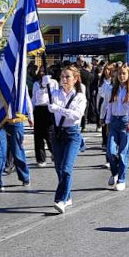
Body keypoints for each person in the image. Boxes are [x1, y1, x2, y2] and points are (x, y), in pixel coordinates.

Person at [48, 64, 87, 213]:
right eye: (62, 76)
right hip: (57, 133)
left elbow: (76, 115)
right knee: (58, 168)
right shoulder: (56, 93)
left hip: (72, 134)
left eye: (67, 76)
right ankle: (68, 196)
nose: (64, 79)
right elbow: (42, 100)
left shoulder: (79, 96)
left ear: (75, 79)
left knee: (66, 168)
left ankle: (61, 199)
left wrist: (58, 109)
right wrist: (43, 85)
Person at [105, 64, 129, 190]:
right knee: (110, 151)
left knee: (123, 153)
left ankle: (121, 179)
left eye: (124, 73)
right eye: (119, 73)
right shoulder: (113, 89)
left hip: (125, 122)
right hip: (114, 121)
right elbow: (109, 106)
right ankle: (115, 172)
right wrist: (107, 121)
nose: (121, 76)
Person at [31, 65, 54, 166]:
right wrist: (31, 111)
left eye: (44, 71)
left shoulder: (54, 83)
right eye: (40, 72)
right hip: (39, 108)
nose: (42, 74)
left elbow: (54, 95)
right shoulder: (36, 83)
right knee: (38, 136)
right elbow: (35, 98)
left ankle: (55, 152)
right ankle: (41, 159)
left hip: (48, 108)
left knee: (49, 134)